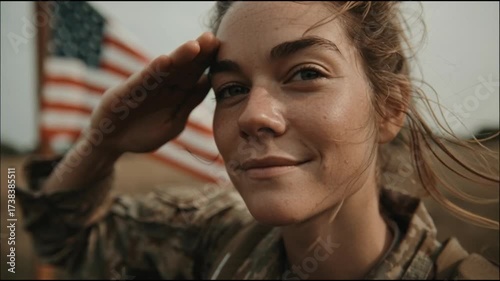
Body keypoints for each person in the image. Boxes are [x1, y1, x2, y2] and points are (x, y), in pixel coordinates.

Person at [18, 1, 499, 280]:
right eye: (231, 89)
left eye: (306, 73)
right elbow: (69, 242)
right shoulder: (215, 236)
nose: (253, 115)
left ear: (389, 107)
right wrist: (103, 142)